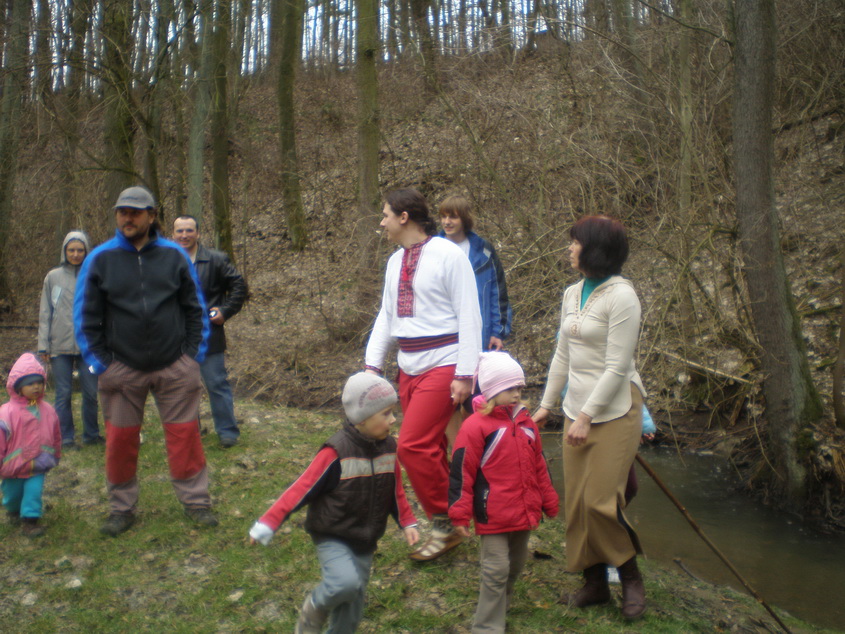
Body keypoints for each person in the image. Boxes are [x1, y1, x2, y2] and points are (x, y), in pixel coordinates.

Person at [74, 185, 216, 537]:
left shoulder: (174, 255)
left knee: (185, 437)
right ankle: (121, 508)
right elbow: (85, 316)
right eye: (122, 211)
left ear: (152, 215)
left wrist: (192, 357)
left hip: (175, 366)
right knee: (120, 442)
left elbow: (195, 308)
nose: (128, 218)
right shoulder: (100, 258)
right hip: (122, 370)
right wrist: (101, 364)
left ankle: (196, 502)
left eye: (136, 212)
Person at [533, 214, 648, 620]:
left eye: (576, 242)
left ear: (595, 249)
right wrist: (547, 405)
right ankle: (594, 583)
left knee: (601, 502)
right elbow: (562, 355)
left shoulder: (623, 297)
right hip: (575, 408)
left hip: (615, 409)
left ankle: (630, 576)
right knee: (579, 502)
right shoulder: (572, 293)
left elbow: (617, 367)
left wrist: (586, 416)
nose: (570, 248)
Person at [249, 373, 419, 633]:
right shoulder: (336, 452)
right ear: (362, 418)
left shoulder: (388, 448)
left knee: (352, 609)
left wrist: (407, 522)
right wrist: (269, 522)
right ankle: (315, 605)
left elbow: (394, 489)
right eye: (386, 413)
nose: (393, 419)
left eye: (393, 412)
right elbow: (301, 488)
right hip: (333, 533)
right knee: (344, 584)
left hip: (365, 537)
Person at [364, 188, 482, 561]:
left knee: (412, 446)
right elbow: (387, 316)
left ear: (404, 217)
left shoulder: (448, 255)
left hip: (445, 362)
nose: (381, 223)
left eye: (385, 215)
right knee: (429, 448)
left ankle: (446, 525)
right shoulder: (394, 262)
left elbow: (469, 313)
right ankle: (459, 518)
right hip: (408, 365)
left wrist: (465, 372)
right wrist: (372, 365)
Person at [449, 352, 559, 633]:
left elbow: (539, 465)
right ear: (491, 391)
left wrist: (548, 499)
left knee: (516, 565)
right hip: (493, 513)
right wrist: (460, 513)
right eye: (509, 388)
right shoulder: (476, 426)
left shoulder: (527, 424)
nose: (517, 394)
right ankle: (487, 626)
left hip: (523, 510)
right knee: (496, 569)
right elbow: (462, 470)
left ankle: (502, 603)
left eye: (519, 388)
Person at [172, 215, 248, 448]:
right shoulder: (166, 260)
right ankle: (190, 430)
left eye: (189, 230)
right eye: (180, 231)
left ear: (197, 233)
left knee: (216, 384)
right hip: (176, 336)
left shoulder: (215, 259)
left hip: (208, 334)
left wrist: (225, 310)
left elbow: (239, 285)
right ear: (173, 235)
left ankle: (227, 431)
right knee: (183, 386)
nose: (184, 235)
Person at [37, 230, 102, 449]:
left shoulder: (94, 275)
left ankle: (91, 434)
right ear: (65, 251)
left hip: (88, 347)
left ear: (86, 251)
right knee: (63, 394)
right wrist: (43, 345)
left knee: (91, 393)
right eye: (71, 250)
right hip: (59, 346)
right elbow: (45, 312)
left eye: (80, 250)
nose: (75, 254)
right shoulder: (53, 277)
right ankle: (65, 437)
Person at [438, 195, 512, 352]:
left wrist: (497, 332)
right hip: (441, 338)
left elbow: (498, 294)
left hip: (479, 336)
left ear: (465, 219)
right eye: (443, 216)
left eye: (453, 217)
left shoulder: (484, 251)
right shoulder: (432, 250)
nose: (447, 222)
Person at [1, 353, 62, 537]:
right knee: (12, 495)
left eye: (39, 383)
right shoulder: (7, 413)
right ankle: (13, 510)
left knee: (33, 493)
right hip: (13, 465)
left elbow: (55, 434)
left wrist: (55, 454)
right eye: (30, 384)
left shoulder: (47, 410)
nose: (36, 387)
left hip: (39, 462)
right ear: (18, 387)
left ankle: (30, 521)